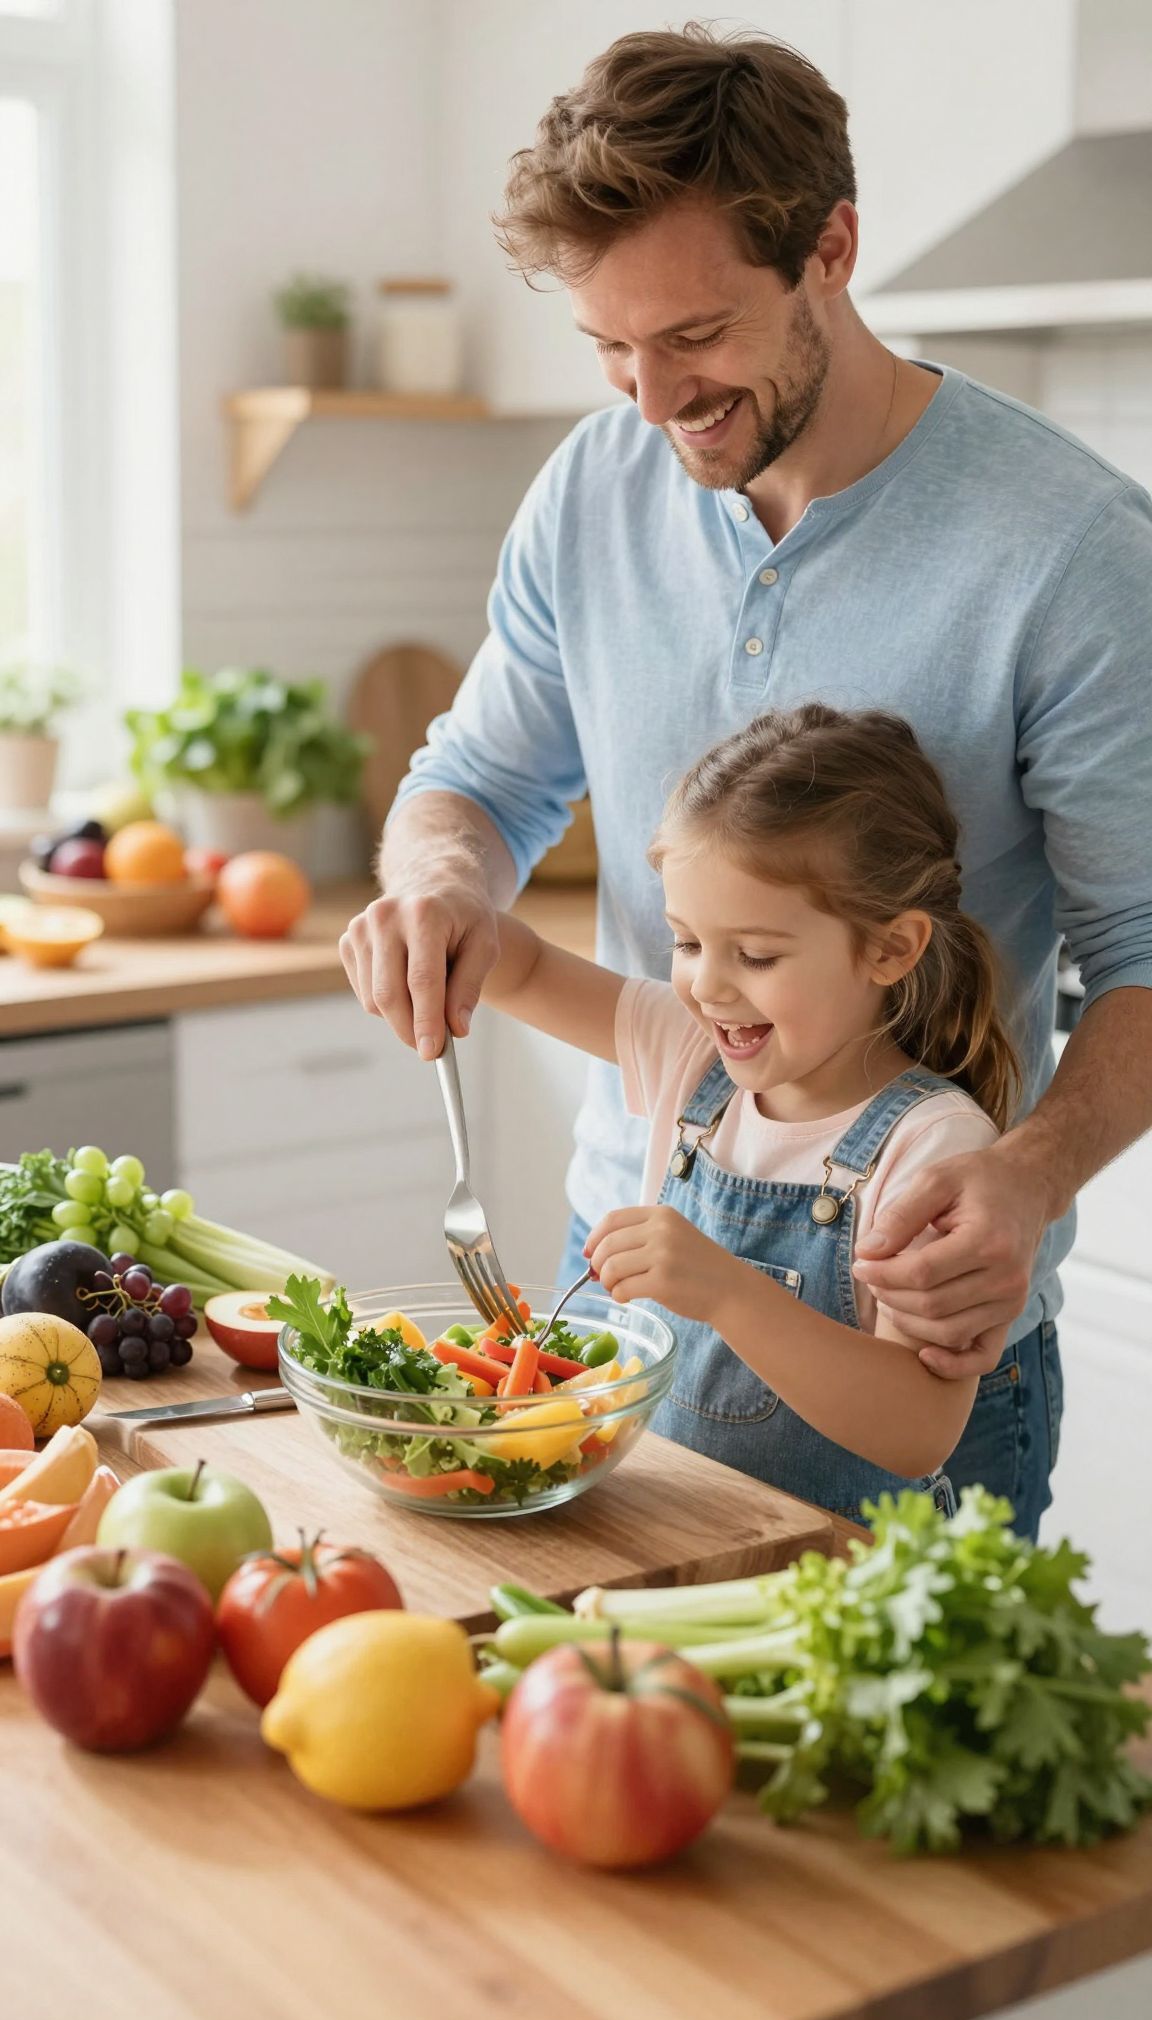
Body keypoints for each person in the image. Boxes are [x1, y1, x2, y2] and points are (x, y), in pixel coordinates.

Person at [340, 27, 1152, 1536]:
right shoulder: (591, 489)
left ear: (830, 250)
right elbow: (479, 782)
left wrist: (1031, 1176)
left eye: (696, 335)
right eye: (609, 348)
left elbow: (1146, 949)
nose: (652, 401)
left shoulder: (1072, 551)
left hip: (915, 1320)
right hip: (625, 1297)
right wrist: (440, 887)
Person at [479, 705, 1019, 1525]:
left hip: (828, 1577)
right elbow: (516, 969)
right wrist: (433, 916)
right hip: (673, 1541)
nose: (707, 987)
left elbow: (918, 1429)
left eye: (756, 955)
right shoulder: (689, 1050)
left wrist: (728, 1292)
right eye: (687, 942)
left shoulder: (933, 1145)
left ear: (890, 949)